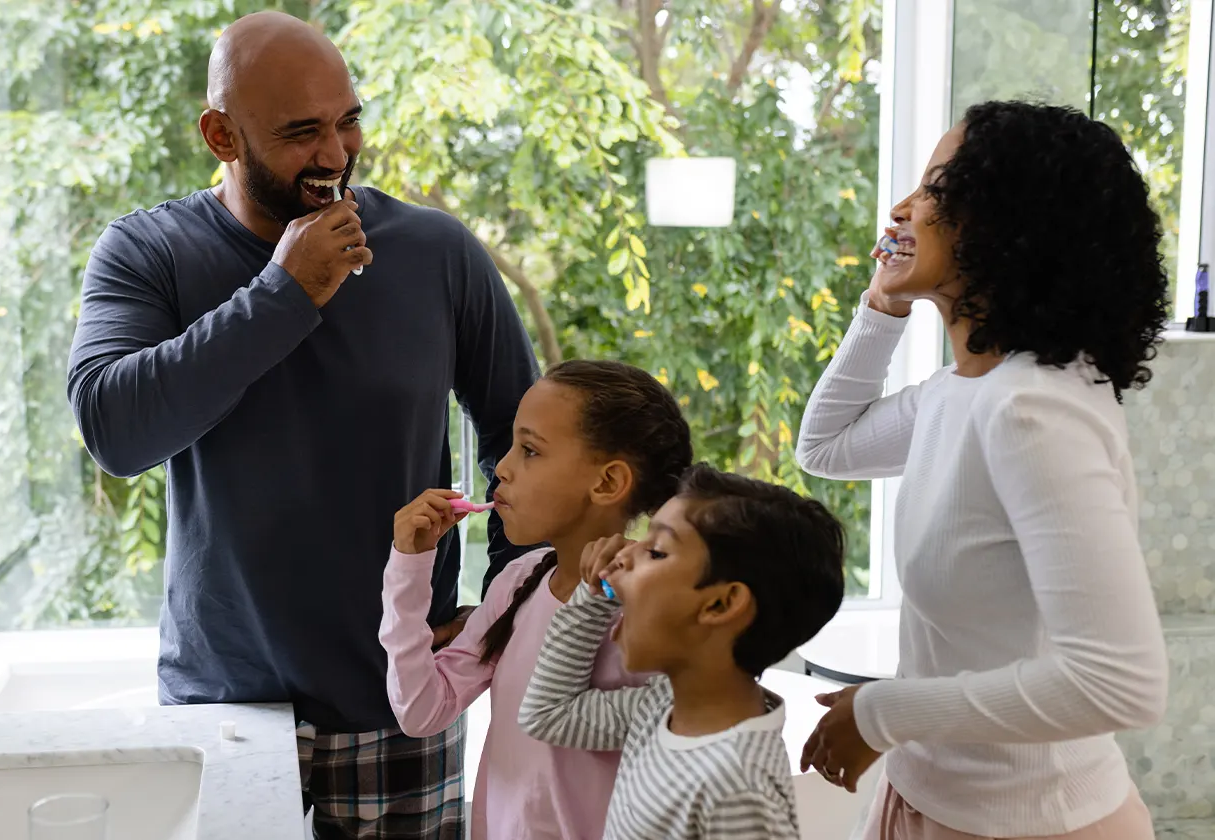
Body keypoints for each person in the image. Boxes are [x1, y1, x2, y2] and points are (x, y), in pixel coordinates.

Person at [65, 11, 540, 838]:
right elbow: (115, 431)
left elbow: (520, 433)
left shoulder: (436, 251)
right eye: (300, 133)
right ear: (221, 134)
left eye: (347, 120)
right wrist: (284, 294)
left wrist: (506, 606)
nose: (335, 153)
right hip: (222, 705)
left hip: (399, 702)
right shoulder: (147, 253)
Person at [794, 101, 1169, 840]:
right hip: (931, 798)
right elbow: (826, 446)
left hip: (1030, 824)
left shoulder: (1030, 411)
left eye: (934, 187)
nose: (902, 208)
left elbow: (1119, 682)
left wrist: (884, 712)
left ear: (1005, 221)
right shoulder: (963, 393)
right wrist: (883, 305)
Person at [380, 360, 694, 838]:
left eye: (529, 450)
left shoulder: (654, 610)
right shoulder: (518, 581)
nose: (501, 468)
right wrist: (409, 566)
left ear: (607, 482)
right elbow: (422, 710)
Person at [517, 464, 847, 839]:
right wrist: (596, 595)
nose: (622, 556)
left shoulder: (738, 789)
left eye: (656, 552)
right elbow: (547, 715)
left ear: (721, 605)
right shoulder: (661, 707)